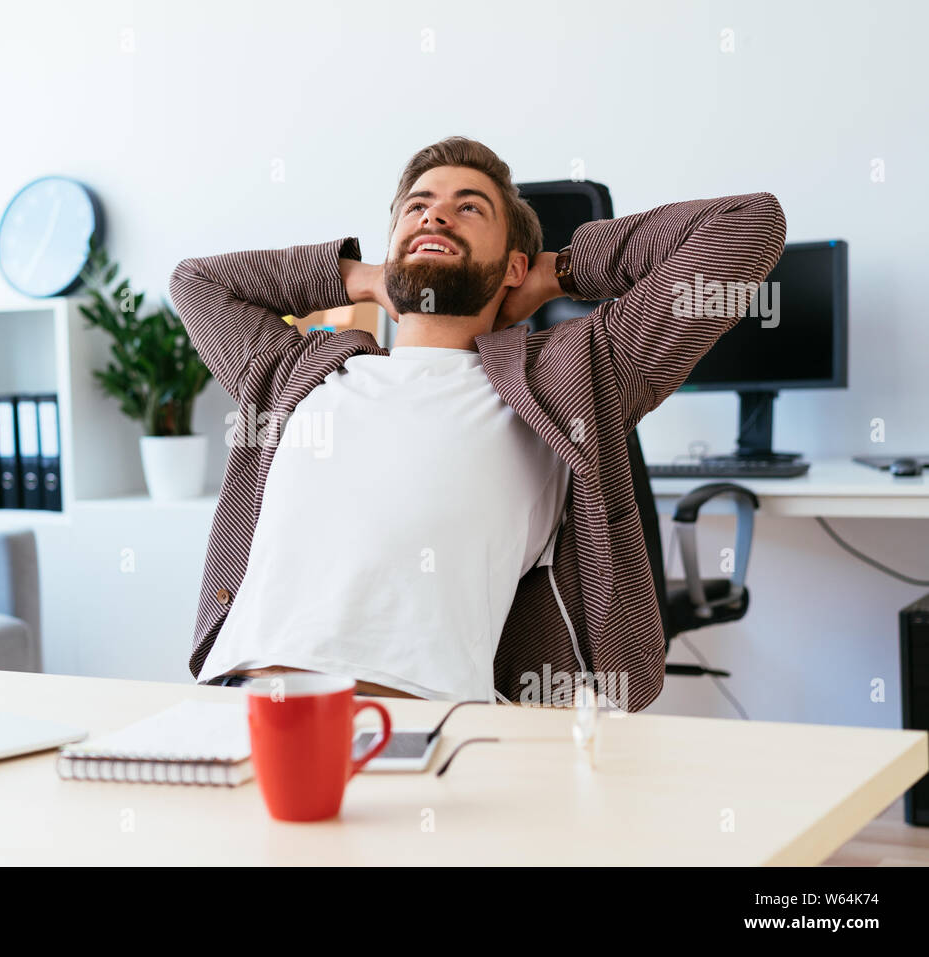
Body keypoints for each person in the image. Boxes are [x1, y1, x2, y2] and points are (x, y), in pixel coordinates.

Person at [169, 135, 785, 708]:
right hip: (234, 708)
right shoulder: (297, 372)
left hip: (410, 726)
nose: (435, 217)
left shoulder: (569, 377)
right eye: (418, 207)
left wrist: (557, 273)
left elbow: (747, 226)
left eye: (469, 209)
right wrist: (361, 277)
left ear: (513, 265)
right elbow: (196, 282)